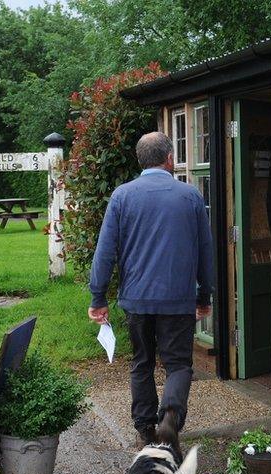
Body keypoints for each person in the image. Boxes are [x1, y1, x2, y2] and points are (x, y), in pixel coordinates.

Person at [88, 132, 214, 447]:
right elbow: (205, 251)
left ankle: (145, 427)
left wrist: (98, 297)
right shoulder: (190, 196)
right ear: (169, 158)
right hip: (177, 299)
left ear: (140, 160)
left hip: (137, 299)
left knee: (142, 361)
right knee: (178, 364)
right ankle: (170, 416)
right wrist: (204, 295)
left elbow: (105, 251)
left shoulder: (121, 196)